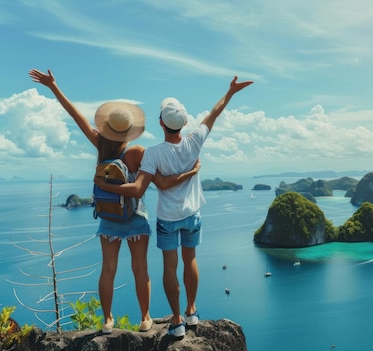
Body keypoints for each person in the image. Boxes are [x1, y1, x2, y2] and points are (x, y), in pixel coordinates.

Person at [28, 69, 201, 334]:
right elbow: (159, 181)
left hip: (108, 218)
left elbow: (76, 116)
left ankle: (107, 320)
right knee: (140, 268)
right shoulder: (138, 153)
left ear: (106, 127)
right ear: (131, 131)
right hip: (134, 218)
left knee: (108, 268)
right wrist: (189, 171)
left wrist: (53, 87)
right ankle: (145, 318)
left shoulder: (100, 145)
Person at [94, 75, 253, 338]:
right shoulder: (194, 141)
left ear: (161, 123)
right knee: (190, 260)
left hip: (168, 218)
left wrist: (103, 185)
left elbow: (148, 188)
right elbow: (214, 114)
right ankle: (192, 312)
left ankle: (177, 322)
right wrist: (230, 92)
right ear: (185, 123)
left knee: (170, 267)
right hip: (193, 213)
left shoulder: (154, 153)